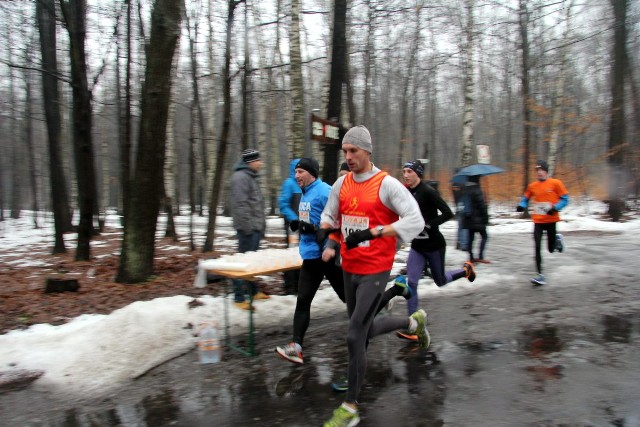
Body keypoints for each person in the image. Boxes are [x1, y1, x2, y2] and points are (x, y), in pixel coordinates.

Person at [319, 125, 428, 427]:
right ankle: (411, 322)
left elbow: (415, 219)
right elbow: (332, 217)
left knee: (354, 333)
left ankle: (350, 407)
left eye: (353, 151)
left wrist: (382, 230)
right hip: (349, 269)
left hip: (375, 269)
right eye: (345, 152)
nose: (349, 156)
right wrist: (330, 241)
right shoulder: (341, 185)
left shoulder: (387, 185)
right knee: (363, 331)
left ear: (367, 151)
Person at [381, 160, 476, 341]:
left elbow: (448, 213)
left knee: (440, 280)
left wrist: (430, 225)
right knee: (413, 283)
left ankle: (466, 270)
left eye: (409, 171)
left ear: (418, 173)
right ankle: (414, 326)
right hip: (417, 247)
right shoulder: (405, 192)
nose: (406, 175)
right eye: (404, 172)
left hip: (434, 246)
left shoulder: (428, 192)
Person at [275, 158, 346, 364]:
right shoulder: (306, 192)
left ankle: (390, 296)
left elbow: (340, 221)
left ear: (312, 173)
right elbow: (315, 219)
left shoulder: (325, 191)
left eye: (300, 172)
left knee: (350, 300)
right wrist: (301, 225)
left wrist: (317, 233)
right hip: (311, 257)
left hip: (327, 256)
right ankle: (296, 347)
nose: (296, 176)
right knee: (303, 300)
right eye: (295, 172)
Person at [517, 160, 569, 286]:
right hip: (538, 221)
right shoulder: (532, 186)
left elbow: (565, 199)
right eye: (537, 170)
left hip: (551, 220)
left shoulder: (556, 183)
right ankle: (539, 275)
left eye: (542, 170)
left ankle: (557, 239)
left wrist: (556, 208)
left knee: (551, 249)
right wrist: (521, 205)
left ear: (546, 171)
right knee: (537, 247)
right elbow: (526, 198)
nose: (539, 172)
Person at [229, 148, 270, 310]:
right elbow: (240, 205)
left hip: (254, 227)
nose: (261, 163)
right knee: (242, 263)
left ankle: (253, 292)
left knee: (251, 262)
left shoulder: (250, 177)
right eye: (258, 160)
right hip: (248, 228)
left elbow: (255, 203)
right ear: (250, 162)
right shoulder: (240, 178)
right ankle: (239, 297)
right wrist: (248, 228)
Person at [278, 159, 302, 295]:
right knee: (292, 253)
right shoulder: (289, 183)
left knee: (302, 254)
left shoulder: (305, 184)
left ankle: (300, 285)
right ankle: (289, 287)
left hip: (304, 226)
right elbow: (283, 205)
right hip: (292, 227)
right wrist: (294, 219)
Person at [464, 175, 490, 263]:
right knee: (485, 237)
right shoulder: (477, 190)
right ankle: (480, 256)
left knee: (470, 239)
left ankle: (471, 256)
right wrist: (486, 218)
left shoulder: (465, 191)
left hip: (468, 219)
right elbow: (482, 206)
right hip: (479, 220)